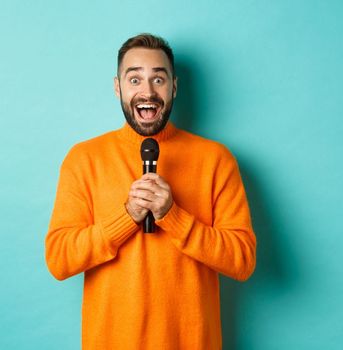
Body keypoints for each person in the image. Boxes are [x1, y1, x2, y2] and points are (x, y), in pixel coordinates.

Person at [45, 33, 256, 349]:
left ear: (174, 87)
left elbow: (242, 260)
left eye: (158, 79)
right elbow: (59, 260)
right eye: (134, 79)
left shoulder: (216, 160)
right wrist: (127, 216)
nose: (147, 91)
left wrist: (173, 217)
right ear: (118, 87)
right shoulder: (84, 159)